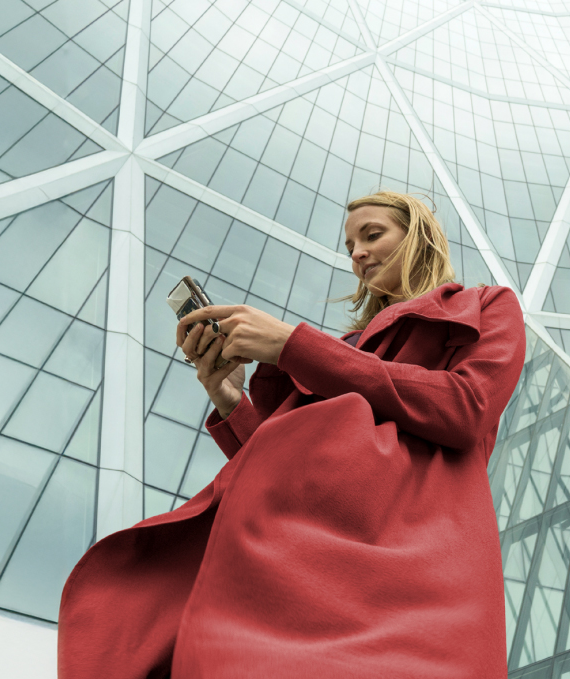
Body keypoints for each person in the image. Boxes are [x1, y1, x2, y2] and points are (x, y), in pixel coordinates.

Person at [58, 191, 525, 679]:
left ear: (420, 238)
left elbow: (466, 406)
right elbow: (289, 467)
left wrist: (292, 345)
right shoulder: (339, 351)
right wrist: (230, 397)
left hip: (415, 568)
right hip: (308, 565)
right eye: (349, 246)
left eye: (372, 235)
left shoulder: (487, 306)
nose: (358, 253)